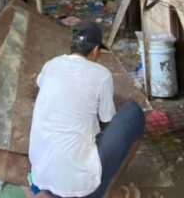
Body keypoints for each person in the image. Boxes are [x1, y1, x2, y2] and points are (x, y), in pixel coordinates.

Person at [28, 21, 145, 198]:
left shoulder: (51, 65)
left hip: (41, 175)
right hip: (82, 187)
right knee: (133, 111)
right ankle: (108, 189)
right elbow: (107, 121)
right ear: (96, 50)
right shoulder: (102, 74)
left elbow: (38, 80)